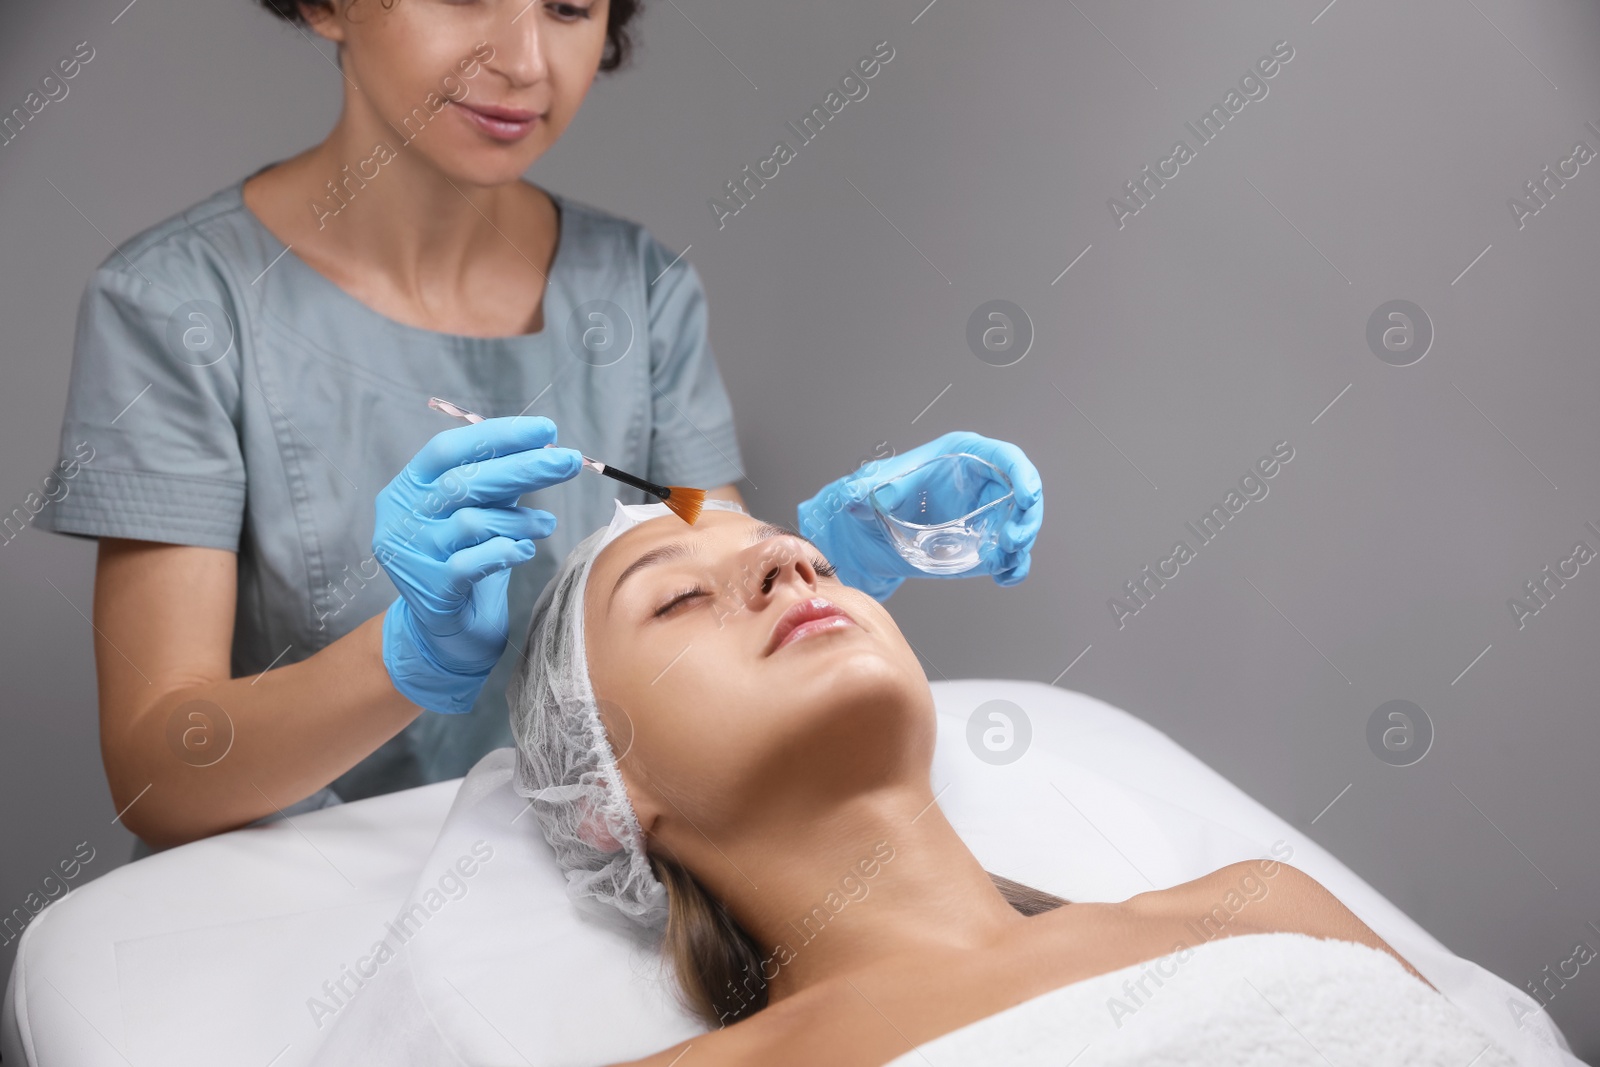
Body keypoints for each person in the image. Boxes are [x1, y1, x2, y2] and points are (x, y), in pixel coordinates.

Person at [36, 0, 1044, 853]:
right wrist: (402, 658)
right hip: (304, 907)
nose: (524, 63)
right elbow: (158, 774)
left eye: (569, 3)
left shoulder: (638, 290)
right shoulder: (178, 305)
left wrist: (821, 554)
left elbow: (708, 568)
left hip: (588, 881)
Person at [505, 500, 1514, 1066]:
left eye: (799, 551)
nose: (786, 563)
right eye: (678, 597)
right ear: (606, 800)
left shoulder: (1259, 904)